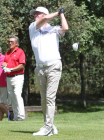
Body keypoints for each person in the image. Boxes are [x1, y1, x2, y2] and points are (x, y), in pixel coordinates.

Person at [29, 6, 68, 136]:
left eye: (37, 14)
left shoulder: (54, 29)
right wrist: (59, 12)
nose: (35, 16)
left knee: (50, 98)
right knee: (43, 100)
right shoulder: (32, 28)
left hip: (54, 66)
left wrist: (62, 15)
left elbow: (65, 28)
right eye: (34, 14)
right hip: (40, 68)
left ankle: (47, 128)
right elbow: (45, 18)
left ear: (44, 14)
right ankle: (49, 124)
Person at [2, 35, 25, 121]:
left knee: (17, 95)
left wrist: (11, 69)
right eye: (9, 41)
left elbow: (21, 65)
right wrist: (4, 65)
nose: (10, 43)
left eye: (12, 41)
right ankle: (16, 117)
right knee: (12, 97)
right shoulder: (7, 53)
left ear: (16, 43)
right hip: (9, 78)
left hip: (17, 76)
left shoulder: (20, 52)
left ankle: (21, 116)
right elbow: (5, 63)